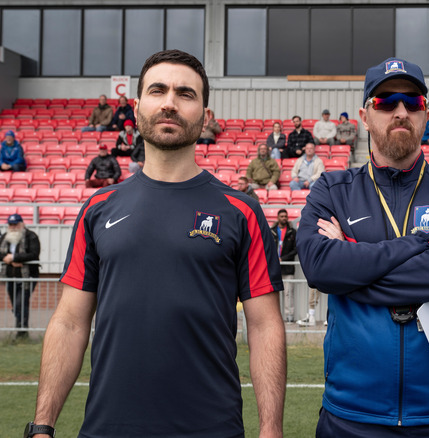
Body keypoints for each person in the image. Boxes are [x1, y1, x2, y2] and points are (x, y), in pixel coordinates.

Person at [30, 49, 285, 438]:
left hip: (211, 428)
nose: (169, 103)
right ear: (137, 107)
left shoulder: (241, 211)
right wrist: (42, 426)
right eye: (158, 90)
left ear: (204, 113)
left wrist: (271, 430)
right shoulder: (98, 209)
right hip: (107, 429)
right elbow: (69, 322)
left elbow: (265, 325)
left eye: (185, 94)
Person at [296, 57, 429, 437]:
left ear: (426, 114)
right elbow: (321, 269)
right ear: (364, 117)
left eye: (412, 102)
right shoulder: (331, 189)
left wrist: (351, 266)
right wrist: (418, 246)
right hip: (354, 416)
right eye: (385, 102)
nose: (400, 111)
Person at [1, 214, 40, 341]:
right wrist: (8, 260)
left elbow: (34, 254)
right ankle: (21, 328)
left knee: (20, 303)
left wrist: (15, 258)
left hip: (27, 276)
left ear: (21, 224)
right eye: (11, 224)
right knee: (16, 304)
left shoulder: (31, 236)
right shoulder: (4, 237)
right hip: (10, 276)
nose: (13, 227)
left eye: (15, 224)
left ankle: (22, 332)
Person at [270, 209, 298, 322]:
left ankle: (289, 316)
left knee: (288, 294)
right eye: (282, 216)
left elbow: (296, 249)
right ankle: (273, 317)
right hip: (274, 268)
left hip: (288, 267)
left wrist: (283, 258)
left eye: (285, 216)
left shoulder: (292, 232)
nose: (284, 218)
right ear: (278, 218)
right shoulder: (271, 231)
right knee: (273, 294)